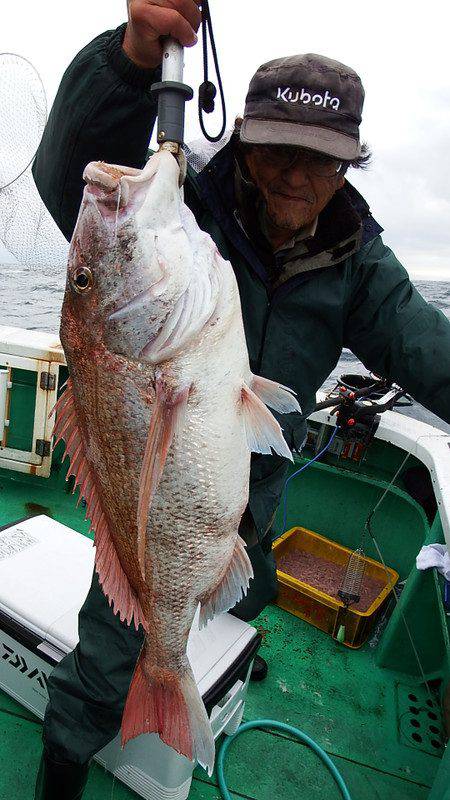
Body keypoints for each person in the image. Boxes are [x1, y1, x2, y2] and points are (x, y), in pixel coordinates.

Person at [32, 2, 450, 797]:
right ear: (245, 146)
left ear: (351, 164)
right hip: (157, 509)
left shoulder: (357, 262)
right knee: (110, 653)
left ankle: (200, 684)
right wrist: (129, 60)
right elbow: (69, 177)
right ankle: (63, 764)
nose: (295, 174)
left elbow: (430, 350)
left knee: (236, 611)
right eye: (275, 152)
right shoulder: (189, 210)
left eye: (319, 158)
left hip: (249, 506)